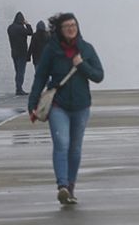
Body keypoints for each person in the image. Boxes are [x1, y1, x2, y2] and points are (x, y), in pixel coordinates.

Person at [27, 12, 103, 205]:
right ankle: (61, 186)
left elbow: (98, 76)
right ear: (59, 30)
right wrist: (32, 104)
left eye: (74, 25)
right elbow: (40, 77)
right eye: (67, 26)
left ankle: (70, 187)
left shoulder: (86, 49)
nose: (71, 28)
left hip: (81, 106)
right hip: (58, 105)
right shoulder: (52, 51)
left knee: (75, 148)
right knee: (62, 143)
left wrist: (82, 65)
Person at [7, 12, 33, 95]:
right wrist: (27, 24)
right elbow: (30, 33)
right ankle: (19, 89)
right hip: (22, 53)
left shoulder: (10, 28)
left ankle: (18, 87)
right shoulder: (21, 28)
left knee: (17, 71)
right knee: (21, 72)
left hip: (14, 52)